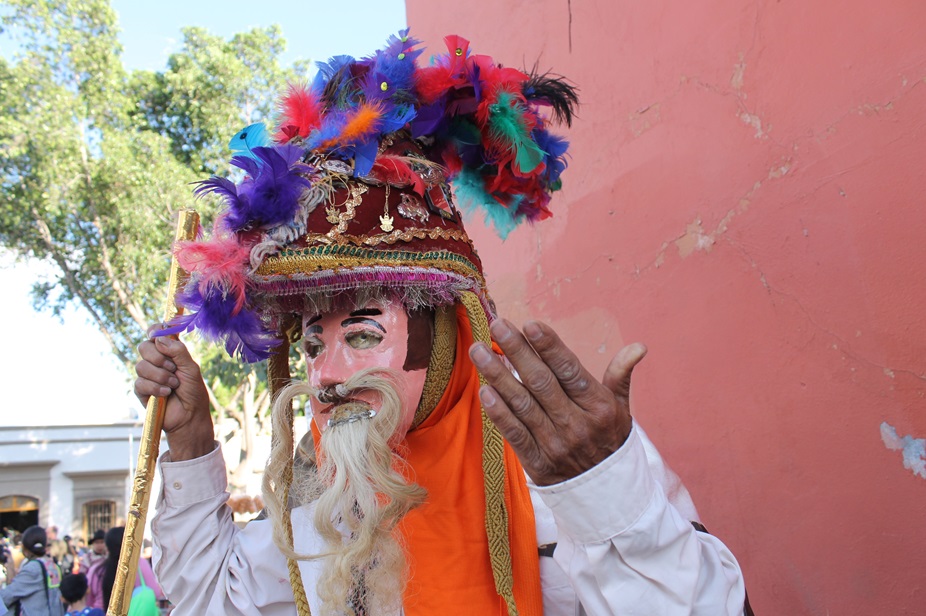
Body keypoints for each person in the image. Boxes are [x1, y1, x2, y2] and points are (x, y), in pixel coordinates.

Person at [137, 32, 748, 615]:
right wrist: (190, 445)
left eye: (363, 335)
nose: (326, 378)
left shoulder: (561, 459)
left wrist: (599, 487)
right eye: (314, 344)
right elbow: (213, 603)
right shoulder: (328, 492)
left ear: (452, 332)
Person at [85, 527, 163, 611]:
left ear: (107, 547)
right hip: (134, 611)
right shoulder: (140, 564)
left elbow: (88, 599)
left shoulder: (97, 570)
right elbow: (155, 592)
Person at [0, 526, 64, 616]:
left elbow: (7, 596)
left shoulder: (33, 568)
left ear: (25, 548)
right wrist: (10, 568)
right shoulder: (52, 566)